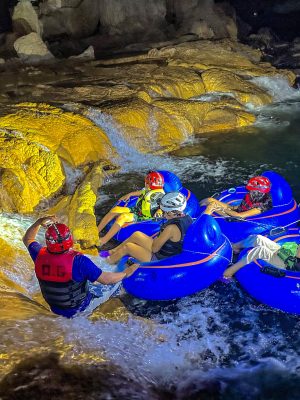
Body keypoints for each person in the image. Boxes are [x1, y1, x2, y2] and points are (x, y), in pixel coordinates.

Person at [23, 215, 138, 318]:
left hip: (55, 308)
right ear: (69, 240)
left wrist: (39, 222)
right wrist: (127, 272)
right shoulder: (79, 261)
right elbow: (106, 280)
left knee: (85, 279)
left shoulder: (38, 254)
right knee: (113, 285)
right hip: (80, 309)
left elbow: (27, 239)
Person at [101, 192, 193, 265]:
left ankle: (105, 264)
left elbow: (154, 248)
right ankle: (112, 251)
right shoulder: (188, 218)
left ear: (173, 212)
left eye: (165, 212)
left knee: (128, 247)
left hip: (161, 258)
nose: (164, 215)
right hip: (167, 249)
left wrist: (158, 237)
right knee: (137, 235)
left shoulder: (171, 228)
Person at [97, 171, 165, 247]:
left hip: (144, 217)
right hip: (137, 210)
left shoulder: (159, 195)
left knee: (123, 217)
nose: (145, 183)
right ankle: (96, 231)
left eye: (147, 182)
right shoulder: (149, 189)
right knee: (115, 210)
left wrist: (160, 210)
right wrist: (129, 194)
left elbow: (163, 205)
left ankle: (104, 240)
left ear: (150, 184)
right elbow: (141, 192)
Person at [223, 234, 300, 278]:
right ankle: (235, 247)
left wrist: (281, 253)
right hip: (288, 253)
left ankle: (228, 273)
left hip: (289, 264)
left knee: (261, 250)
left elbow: (298, 254)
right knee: (258, 238)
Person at [202, 176, 273, 218]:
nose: (249, 191)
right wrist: (229, 207)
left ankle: (198, 222)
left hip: (238, 219)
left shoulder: (262, 205)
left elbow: (240, 216)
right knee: (209, 200)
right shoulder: (253, 195)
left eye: (251, 190)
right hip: (235, 210)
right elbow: (242, 207)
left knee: (211, 207)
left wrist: (222, 209)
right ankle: (194, 209)